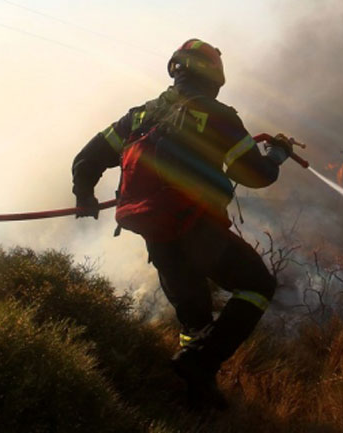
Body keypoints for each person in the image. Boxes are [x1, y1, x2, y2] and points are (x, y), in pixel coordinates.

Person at [71, 38, 292, 409]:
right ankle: (201, 364)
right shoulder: (219, 116)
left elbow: (86, 160)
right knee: (257, 286)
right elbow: (256, 175)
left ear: (176, 70)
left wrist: (84, 197)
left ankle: (198, 396)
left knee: (194, 321)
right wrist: (277, 154)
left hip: (155, 232)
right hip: (198, 229)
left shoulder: (140, 116)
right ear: (216, 77)